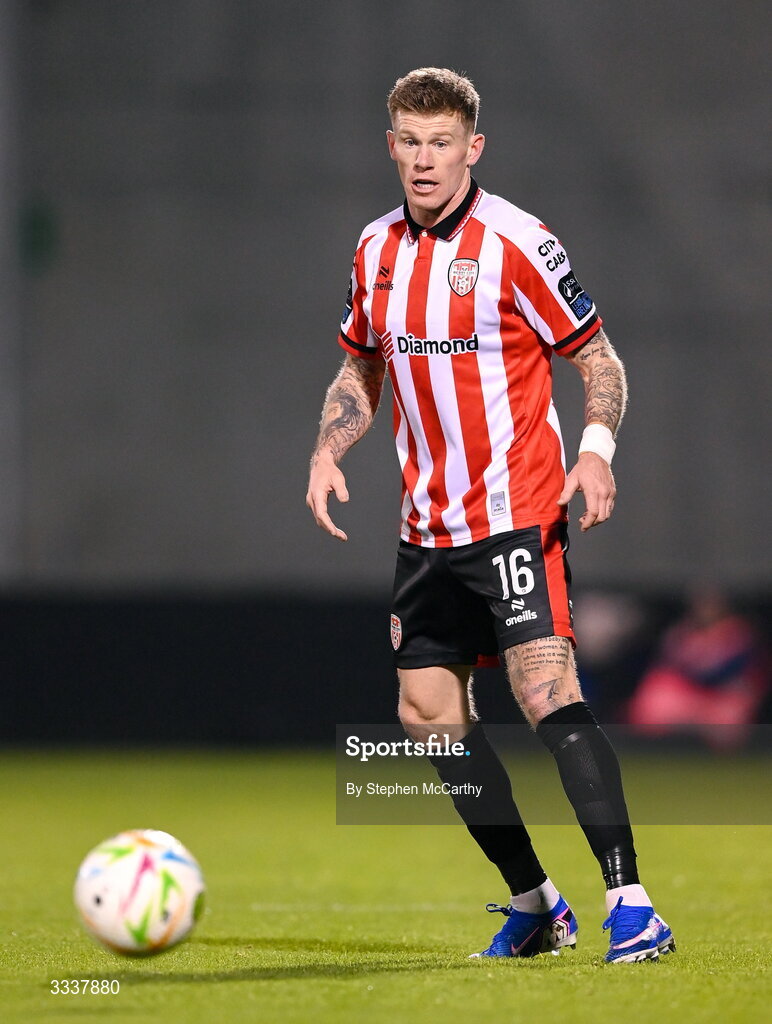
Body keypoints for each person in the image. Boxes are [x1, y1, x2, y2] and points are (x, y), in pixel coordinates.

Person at [306, 67, 675, 964]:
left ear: (473, 148)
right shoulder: (374, 249)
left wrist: (596, 451)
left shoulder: (518, 242)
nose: (424, 159)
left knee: (547, 693)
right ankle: (536, 903)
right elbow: (361, 364)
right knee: (427, 713)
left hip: (516, 515)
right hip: (426, 529)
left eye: (442, 142)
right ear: (390, 146)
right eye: (410, 141)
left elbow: (600, 360)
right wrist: (327, 446)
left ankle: (632, 904)